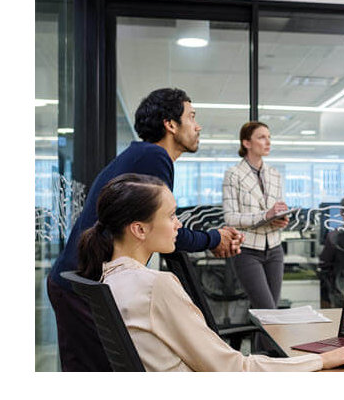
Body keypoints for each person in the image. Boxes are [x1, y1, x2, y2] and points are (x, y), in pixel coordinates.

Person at [77, 173, 344, 371]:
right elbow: (235, 371)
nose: (179, 224)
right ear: (139, 229)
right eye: (170, 216)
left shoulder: (109, 278)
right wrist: (320, 360)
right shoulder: (155, 285)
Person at [48, 88, 245, 371]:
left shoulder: (142, 155)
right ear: (170, 124)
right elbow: (161, 229)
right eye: (191, 117)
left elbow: (162, 226)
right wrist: (214, 238)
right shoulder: (154, 156)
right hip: (80, 286)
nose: (197, 126)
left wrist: (212, 238)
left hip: (77, 281)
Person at [222, 121, 290, 313]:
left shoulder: (275, 175)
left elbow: (276, 210)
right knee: (267, 311)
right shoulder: (233, 175)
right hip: (248, 250)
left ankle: (261, 345)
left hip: (274, 248)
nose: (267, 142)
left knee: (269, 314)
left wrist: (280, 219)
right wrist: (265, 215)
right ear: (246, 143)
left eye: (269, 137)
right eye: (261, 137)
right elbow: (231, 218)